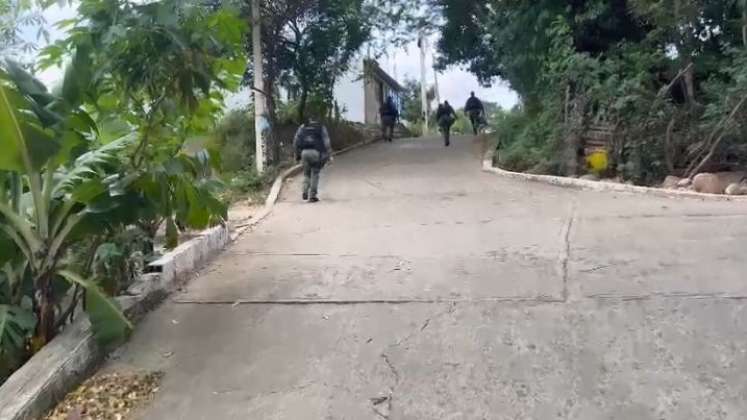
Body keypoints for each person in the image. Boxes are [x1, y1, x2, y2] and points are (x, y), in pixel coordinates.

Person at [293, 116, 332, 203]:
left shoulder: (303, 127)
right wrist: (329, 155)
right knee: (315, 173)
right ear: (317, 119)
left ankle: (304, 191)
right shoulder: (321, 127)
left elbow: (296, 141)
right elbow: (327, 142)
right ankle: (312, 196)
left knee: (306, 174)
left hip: (304, 153)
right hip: (316, 153)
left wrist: (297, 155)